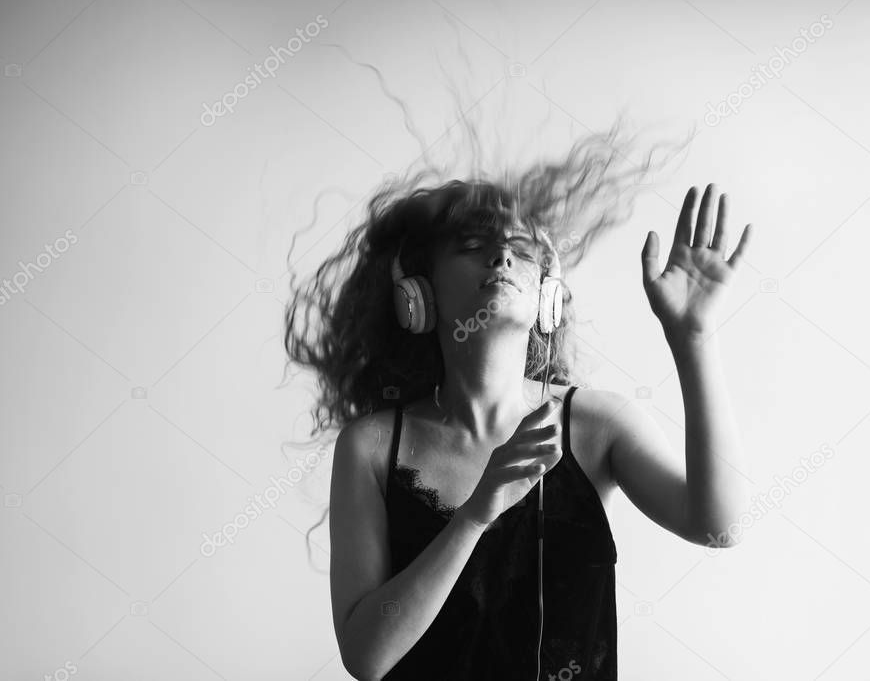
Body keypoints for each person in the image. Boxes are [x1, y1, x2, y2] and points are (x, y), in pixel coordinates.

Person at [284, 127, 754, 680]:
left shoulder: (597, 424)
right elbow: (366, 657)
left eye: (522, 248)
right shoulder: (370, 446)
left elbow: (719, 527)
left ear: (545, 293)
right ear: (419, 294)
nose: (502, 256)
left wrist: (693, 338)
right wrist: (476, 514)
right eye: (474, 245)